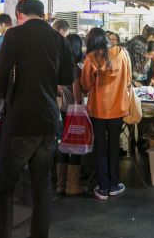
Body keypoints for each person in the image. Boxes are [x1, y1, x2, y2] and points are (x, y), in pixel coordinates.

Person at [0, 0, 74, 238]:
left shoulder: (14, 36)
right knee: (42, 186)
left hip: (21, 119)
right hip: (49, 119)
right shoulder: (59, 39)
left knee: (1, 187)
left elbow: (1, 76)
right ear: (43, 14)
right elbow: (67, 76)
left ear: (19, 14)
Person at [80, 27, 132, 200]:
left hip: (98, 109)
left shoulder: (91, 57)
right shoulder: (122, 53)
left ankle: (102, 188)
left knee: (101, 147)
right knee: (114, 145)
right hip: (118, 107)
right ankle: (114, 184)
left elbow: (85, 84)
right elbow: (129, 79)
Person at [56, 33, 87, 195]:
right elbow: (77, 97)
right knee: (75, 146)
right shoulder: (75, 69)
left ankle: (61, 185)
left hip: (61, 110)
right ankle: (73, 186)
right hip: (73, 112)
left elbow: (57, 89)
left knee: (63, 146)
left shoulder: (58, 65)